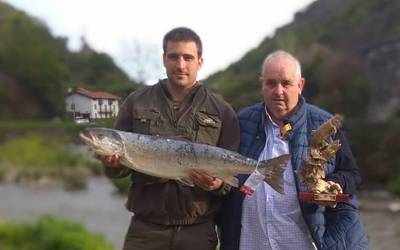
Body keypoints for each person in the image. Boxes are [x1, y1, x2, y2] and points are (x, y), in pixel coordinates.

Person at [96, 27, 240, 250]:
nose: (180, 65)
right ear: (164, 59)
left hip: (198, 233)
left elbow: (231, 179)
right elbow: (117, 169)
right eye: (174, 56)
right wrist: (111, 165)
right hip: (145, 231)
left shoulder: (223, 111)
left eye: (188, 58)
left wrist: (217, 183)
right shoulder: (136, 102)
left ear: (200, 62)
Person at [220, 50, 369, 250]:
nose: (278, 91)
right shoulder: (241, 122)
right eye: (271, 83)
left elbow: (351, 175)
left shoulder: (326, 124)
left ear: (300, 85)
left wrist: (332, 184)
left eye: (286, 83)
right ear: (262, 85)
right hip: (250, 243)